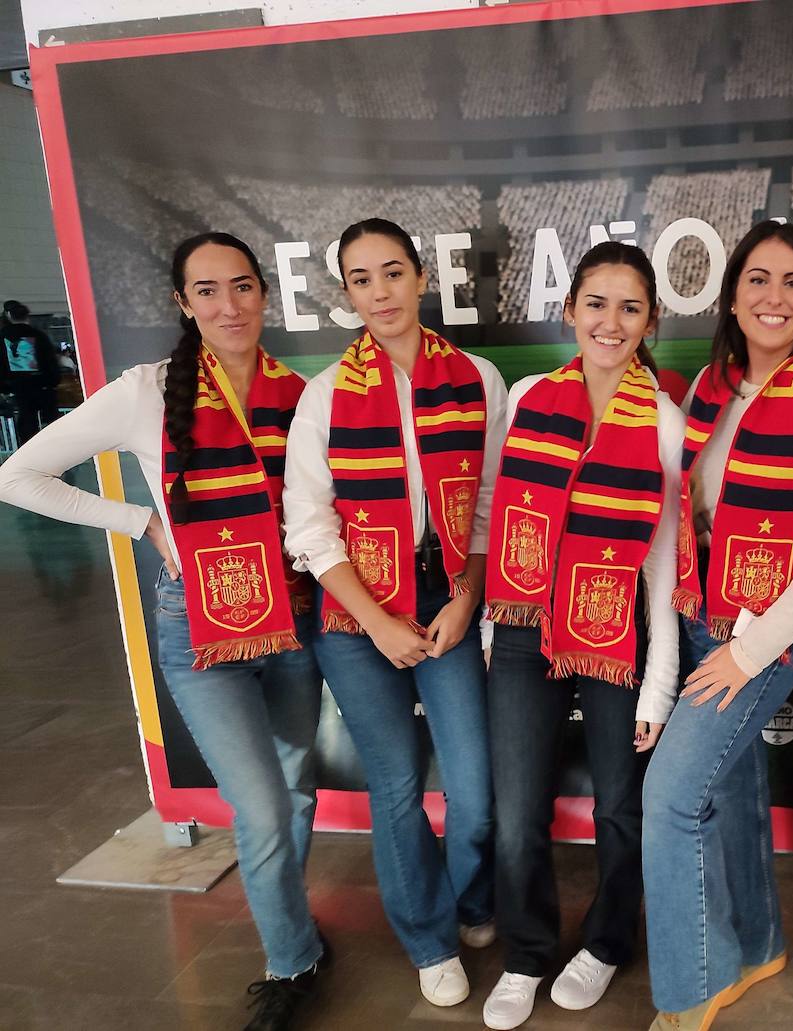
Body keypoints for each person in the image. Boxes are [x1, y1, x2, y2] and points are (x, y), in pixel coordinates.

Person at [0, 234, 328, 1031]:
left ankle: (302, 941)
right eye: (208, 291)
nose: (230, 305)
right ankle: (290, 960)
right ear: (184, 303)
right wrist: (140, 519)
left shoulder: (304, 392)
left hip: (292, 615)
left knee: (292, 793)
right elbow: (17, 474)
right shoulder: (145, 391)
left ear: (264, 294)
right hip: (199, 629)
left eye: (243, 287)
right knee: (259, 805)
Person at [641, 220, 793, 1031]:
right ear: (733, 296)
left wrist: (746, 653)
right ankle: (757, 945)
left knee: (670, 801)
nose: (774, 297)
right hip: (698, 616)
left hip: (763, 637)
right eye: (758, 280)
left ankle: (688, 986)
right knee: (730, 792)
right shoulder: (712, 386)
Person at [282, 218, 506, 1009]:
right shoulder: (326, 394)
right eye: (361, 279)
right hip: (355, 613)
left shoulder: (477, 379)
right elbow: (307, 523)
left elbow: (487, 505)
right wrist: (377, 621)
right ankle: (427, 934)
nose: (379, 292)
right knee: (398, 785)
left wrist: (469, 596)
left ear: (420, 277)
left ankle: (473, 898)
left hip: (445, 598)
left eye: (392, 273)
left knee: (476, 790)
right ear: (347, 292)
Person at [479, 241, 684, 1030]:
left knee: (619, 807)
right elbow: (499, 512)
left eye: (630, 307)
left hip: (615, 632)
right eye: (596, 303)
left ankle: (604, 943)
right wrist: (502, 622)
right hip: (528, 629)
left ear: (651, 320)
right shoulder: (529, 397)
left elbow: (663, 562)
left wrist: (659, 681)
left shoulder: (662, 421)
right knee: (517, 803)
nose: (611, 321)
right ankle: (527, 952)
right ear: (570, 309)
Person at [1, 299, 60, 443]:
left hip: (18, 387)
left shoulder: (2, 335)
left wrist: (5, 387)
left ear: (8, 315)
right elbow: (50, 361)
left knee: (27, 424)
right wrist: (52, 381)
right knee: (52, 424)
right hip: (43, 386)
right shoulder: (39, 335)